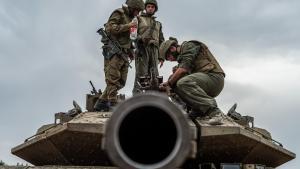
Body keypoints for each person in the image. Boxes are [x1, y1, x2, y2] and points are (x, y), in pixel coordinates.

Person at [159, 37, 225, 124]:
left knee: (182, 82)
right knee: (175, 81)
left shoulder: (189, 46)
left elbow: (183, 69)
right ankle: (198, 110)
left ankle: (215, 112)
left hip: (214, 78)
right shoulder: (182, 57)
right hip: (204, 81)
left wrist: (169, 83)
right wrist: (168, 84)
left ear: (172, 48)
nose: (170, 60)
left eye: (168, 56)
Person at [94, 0, 145, 112]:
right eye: (137, 10)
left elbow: (128, 37)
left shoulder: (132, 19)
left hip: (124, 52)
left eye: (139, 11)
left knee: (121, 81)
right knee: (113, 78)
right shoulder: (119, 13)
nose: (138, 13)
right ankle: (111, 102)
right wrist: (128, 26)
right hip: (113, 51)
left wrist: (130, 50)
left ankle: (101, 102)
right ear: (132, 7)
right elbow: (110, 28)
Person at [132, 0, 165, 94]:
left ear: (155, 9)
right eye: (148, 6)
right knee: (141, 75)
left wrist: (162, 57)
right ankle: (137, 99)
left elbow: (161, 41)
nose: (150, 8)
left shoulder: (158, 24)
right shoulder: (137, 19)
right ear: (145, 8)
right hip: (142, 49)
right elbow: (132, 34)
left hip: (154, 50)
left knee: (155, 76)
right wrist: (141, 39)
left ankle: (154, 100)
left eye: (152, 7)